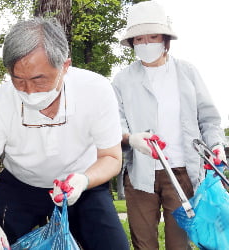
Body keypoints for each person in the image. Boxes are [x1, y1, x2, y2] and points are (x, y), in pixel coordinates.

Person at [0, 17, 129, 250]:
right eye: (18, 80)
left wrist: (84, 180)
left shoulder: (96, 90)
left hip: (81, 185)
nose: (29, 91)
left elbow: (111, 158)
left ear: (65, 66)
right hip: (21, 186)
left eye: (39, 80)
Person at [112, 1, 226, 249]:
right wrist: (132, 138)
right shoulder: (122, 80)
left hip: (183, 171)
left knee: (178, 243)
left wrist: (215, 145)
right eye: (139, 39)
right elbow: (115, 124)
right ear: (132, 43)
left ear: (165, 39)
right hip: (140, 174)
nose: (146, 44)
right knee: (144, 242)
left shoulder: (187, 72)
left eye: (152, 37)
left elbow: (209, 119)